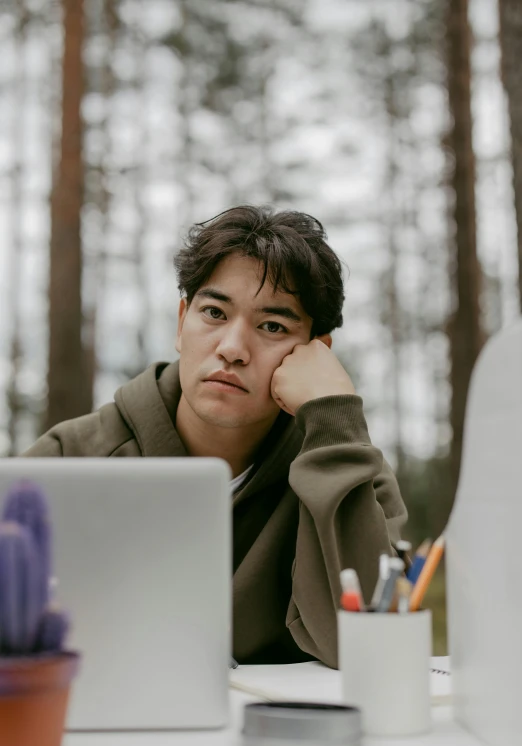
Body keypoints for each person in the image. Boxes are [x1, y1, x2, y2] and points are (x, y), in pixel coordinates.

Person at [24, 205, 407, 667]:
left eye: (272, 326)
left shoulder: (351, 470)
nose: (232, 349)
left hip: (280, 736)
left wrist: (331, 416)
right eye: (213, 312)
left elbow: (368, 652)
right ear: (182, 322)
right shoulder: (71, 459)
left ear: (314, 353)